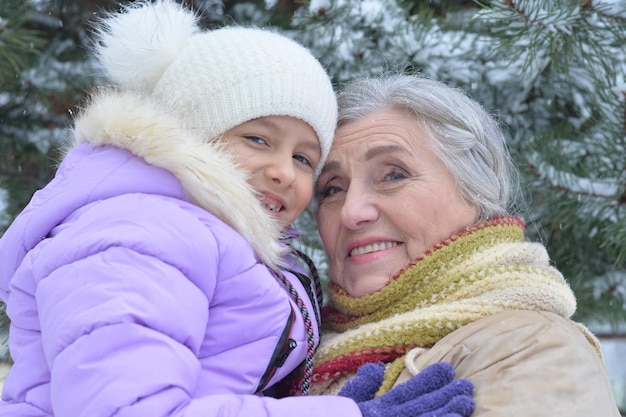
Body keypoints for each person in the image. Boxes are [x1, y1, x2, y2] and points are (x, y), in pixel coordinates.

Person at [0, 2, 475, 417]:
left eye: (304, 158)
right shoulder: (135, 232)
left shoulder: (215, 241)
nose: (284, 172)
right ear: (186, 134)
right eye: (258, 139)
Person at [310, 73, 621, 416]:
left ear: (475, 193)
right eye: (332, 189)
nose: (352, 212)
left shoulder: (533, 346)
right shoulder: (285, 355)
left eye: (394, 175)